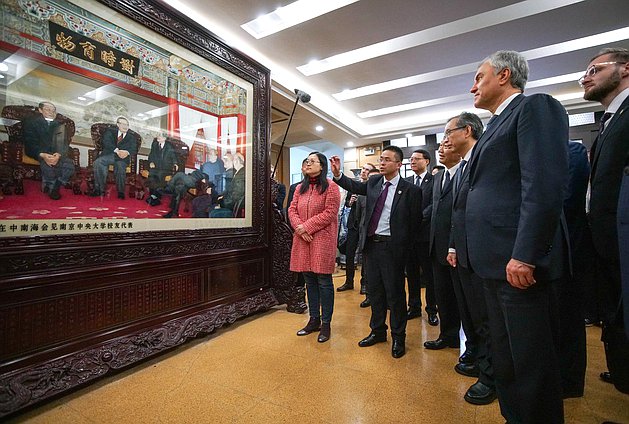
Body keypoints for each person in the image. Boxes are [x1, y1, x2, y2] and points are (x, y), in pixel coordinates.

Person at [465, 50, 569, 423]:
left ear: (504, 75)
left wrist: (525, 253)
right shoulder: (493, 124)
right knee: (507, 358)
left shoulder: (534, 108)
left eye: (479, 76)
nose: (472, 85)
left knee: (530, 361)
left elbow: (542, 185)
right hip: (491, 262)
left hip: (517, 260)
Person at [330, 146, 422, 359]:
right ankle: (378, 330)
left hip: (394, 248)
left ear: (398, 164)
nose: (382, 163)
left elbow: (415, 224)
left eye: (387, 160)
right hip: (372, 246)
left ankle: (399, 336)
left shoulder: (411, 190)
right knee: (375, 292)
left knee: (395, 294)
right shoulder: (373, 183)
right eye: (381, 159)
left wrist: (406, 252)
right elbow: (352, 185)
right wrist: (337, 174)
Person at [581, 47, 629, 394]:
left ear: (625, 69)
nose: (586, 76)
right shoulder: (610, 120)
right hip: (607, 243)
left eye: (595, 69)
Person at [444, 112, 496, 406]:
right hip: (464, 254)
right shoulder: (463, 167)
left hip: (484, 253)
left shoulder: (485, 158)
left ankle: (491, 377)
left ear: (466, 130)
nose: (446, 139)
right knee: (475, 317)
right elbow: (458, 213)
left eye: (449, 132)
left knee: (488, 320)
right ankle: (480, 361)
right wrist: (453, 246)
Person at [289, 152, 340, 343]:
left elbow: (330, 213)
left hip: (321, 239)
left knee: (324, 282)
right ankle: (313, 320)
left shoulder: (331, 187)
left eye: (312, 161)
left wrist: (306, 226)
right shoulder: (299, 189)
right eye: (307, 161)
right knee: (309, 280)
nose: (308, 164)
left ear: (322, 166)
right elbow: (292, 210)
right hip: (303, 239)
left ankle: (326, 324)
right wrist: (300, 229)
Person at [556, 141, 590, 398]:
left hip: (570, 250)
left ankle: (569, 382)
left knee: (569, 318)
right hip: (546, 252)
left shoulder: (572, 151)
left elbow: (566, 201)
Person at [426, 141, 462, 357]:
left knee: (462, 298)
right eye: (439, 147)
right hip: (437, 246)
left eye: (446, 147)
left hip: (457, 247)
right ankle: (446, 335)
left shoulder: (465, 173)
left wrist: (453, 244)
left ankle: (466, 341)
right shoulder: (439, 176)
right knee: (443, 295)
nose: (440, 150)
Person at [405, 149, 437, 325]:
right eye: (411, 159)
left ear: (426, 161)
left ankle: (432, 309)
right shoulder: (406, 182)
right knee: (411, 274)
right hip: (409, 237)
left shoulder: (434, 181)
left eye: (416, 159)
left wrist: (417, 219)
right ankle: (414, 307)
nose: (413, 161)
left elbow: (433, 205)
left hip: (425, 236)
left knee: (429, 275)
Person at [22, 101, 75, 200]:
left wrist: (58, 154)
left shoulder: (59, 124)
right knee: (48, 165)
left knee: (69, 166)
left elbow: (63, 143)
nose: (51, 112)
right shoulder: (31, 122)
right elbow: (30, 142)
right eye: (48, 109)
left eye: (53, 110)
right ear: (40, 110)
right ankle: (51, 189)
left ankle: (56, 185)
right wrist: (43, 155)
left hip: (55, 153)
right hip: (38, 152)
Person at [337, 163, 376, 293]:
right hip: (353, 224)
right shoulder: (354, 187)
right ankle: (349, 281)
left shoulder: (373, 187)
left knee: (365, 255)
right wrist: (351, 202)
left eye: (367, 170)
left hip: (366, 226)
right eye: (363, 169)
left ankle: (364, 283)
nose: (364, 171)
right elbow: (347, 204)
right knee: (349, 253)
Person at [91, 116, 138, 199]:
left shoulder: (132, 137)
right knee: (98, 162)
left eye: (127, 124)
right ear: (117, 124)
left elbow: (134, 149)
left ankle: (121, 191)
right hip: (110, 154)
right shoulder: (110, 132)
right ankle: (99, 189)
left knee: (120, 166)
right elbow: (106, 142)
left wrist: (127, 152)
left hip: (123, 158)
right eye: (122, 124)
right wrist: (117, 151)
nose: (125, 126)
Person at [146, 132, 178, 197]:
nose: (158, 137)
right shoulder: (155, 144)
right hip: (156, 166)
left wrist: (175, 163)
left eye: (159, 136)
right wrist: (151, 162)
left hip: (166, 168)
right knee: (151, 173)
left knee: (159, 174)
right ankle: (152, 193)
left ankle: (157, 194)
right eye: (158, 135)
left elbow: (173, 156)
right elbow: (151, 155)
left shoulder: (169, 146)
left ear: (164, 138)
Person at [213, 152, 245, 217]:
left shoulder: (240, 176)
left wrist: (221, 203)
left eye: (233, 160)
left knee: (213, 213)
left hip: (233, 209)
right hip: (232, 206)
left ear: (236, 161)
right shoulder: (239, 173)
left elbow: (234, 197)